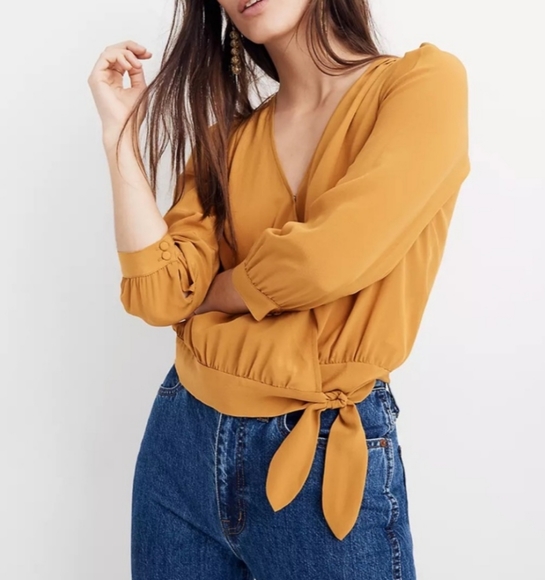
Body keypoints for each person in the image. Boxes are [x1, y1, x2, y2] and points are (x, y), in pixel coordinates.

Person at [88, 0, 470, 578]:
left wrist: (220, 293)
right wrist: (119, 136)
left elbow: (329, 258)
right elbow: (159, 294)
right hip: (183, 440)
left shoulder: (421, 84)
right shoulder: (227, 142)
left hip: (321, 448)